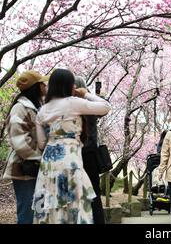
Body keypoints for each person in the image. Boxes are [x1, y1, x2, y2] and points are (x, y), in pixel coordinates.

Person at [32, 68, 111, 224]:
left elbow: (41, 143)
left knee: (49, 201)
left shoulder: (42, 111)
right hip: (70, 159)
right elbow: (105, 107)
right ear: (69, 85)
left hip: (48, 162)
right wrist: (85, 94)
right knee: (74, 202)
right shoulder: (73, 103)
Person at [2, 70, 48, 224]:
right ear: (36, 87)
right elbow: (19, 140)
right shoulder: (20, 108)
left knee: (40, 208)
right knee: (27, 210)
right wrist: (40, 157)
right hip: (24, 168)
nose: (45, 86)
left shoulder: (37, 106)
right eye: (42, 83)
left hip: (38, 168)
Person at [74, 76, 106, 224]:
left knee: (88, 192)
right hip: (88, 153)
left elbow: (106, 106)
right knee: (93, 193)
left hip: (82, 154)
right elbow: (105, 105)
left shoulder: (81, 105)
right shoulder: (88, 105)